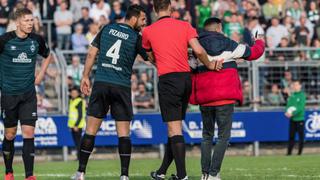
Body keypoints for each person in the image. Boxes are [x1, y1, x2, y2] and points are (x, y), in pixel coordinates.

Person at [142, 1, 222, 179]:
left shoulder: (148, 31)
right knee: (174, 128)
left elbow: (149, 55)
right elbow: (199, 51)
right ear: (170, 8)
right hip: (185, 79)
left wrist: (159, 63)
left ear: (155, 10)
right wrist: (210, 64)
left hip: (168, 80)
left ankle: (182, 176)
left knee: (174, 130)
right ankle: (162, 172)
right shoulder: (185, 25)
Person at [73, 4, 148, 180]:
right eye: (143, 19)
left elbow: (91, 54)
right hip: (121, 86)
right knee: (123, 133)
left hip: (101, 83)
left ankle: (80, 173)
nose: (144, 23)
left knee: (90, 130)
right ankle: (124, 176)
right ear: (134, 18)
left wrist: (85, 76)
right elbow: (150, 59)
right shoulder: (136, 37)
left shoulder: (107, 28)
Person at [188, 17, 265, 180]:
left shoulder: (196, 46)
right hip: (225, 98)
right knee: (223, 137)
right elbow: (254, 53)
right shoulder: (229, 44)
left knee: (206, 136)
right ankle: (214, 174)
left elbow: (191, 67)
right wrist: (259, 41)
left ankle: (205, 174)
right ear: (218, 28)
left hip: (205, 98)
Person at [0, 8, 51, 180]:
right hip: (9, 94)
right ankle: (9, 172)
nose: (30, 24)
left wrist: (41, 74)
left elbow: (48, 55)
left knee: (29, 133)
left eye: (32, 20)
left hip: (28, 94)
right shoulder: (4, 40)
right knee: (10, 134)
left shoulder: (37, 40)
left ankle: (29, 176)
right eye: (27, 21)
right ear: (18, 22)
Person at [285, 80, 306, 156]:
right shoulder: (292, 95)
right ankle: (289, 153)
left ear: (300, 86)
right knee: (291, 137)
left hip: (300, 119)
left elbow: (300, 107)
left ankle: (299, 153)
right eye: (294, 85)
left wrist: (292, 113)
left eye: (296, 85)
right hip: (292, 120)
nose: (295, 86)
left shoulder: (302, 96)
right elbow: (288, 105)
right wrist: (287, 112)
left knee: (301, 137)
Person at [68, 87, 86, 160]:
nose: (73, 94)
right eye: (72, 93)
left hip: (77, 125)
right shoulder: (72, 100)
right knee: (76, 142)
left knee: (78, 142)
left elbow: (80, 114)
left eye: (75, 93)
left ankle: (80, 157)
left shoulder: (79, 101)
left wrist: (76, 125)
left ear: (78, 93)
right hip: (72, 125)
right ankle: (79, 157)